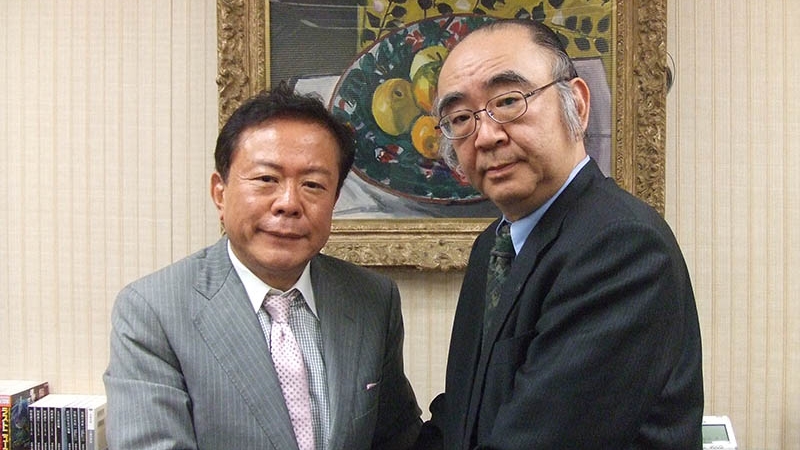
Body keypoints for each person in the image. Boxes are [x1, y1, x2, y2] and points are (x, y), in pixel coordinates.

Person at [416, 19, 704, 449]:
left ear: (578, 105)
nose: (486, 136)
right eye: (460, 118)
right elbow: (461, 414)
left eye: (508, 101)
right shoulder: (492, 246)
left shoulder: (622, 245)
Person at [103, 82, 422, 450]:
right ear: (220, 193)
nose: (289, 203)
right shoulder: (152, 310)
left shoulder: (373, 299)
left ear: (334, 200)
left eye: (313, 185)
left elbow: (397, 438)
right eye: (267, 179)